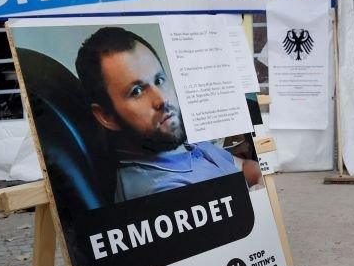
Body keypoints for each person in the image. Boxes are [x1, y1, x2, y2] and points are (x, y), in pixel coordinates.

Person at [74, 26, 261, 202]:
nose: (162, 99)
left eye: (159, 79)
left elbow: (245, 167)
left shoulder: (174, 143)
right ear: (107, 116)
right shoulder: (161, 191)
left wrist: (259, 180)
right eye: (137, 91)